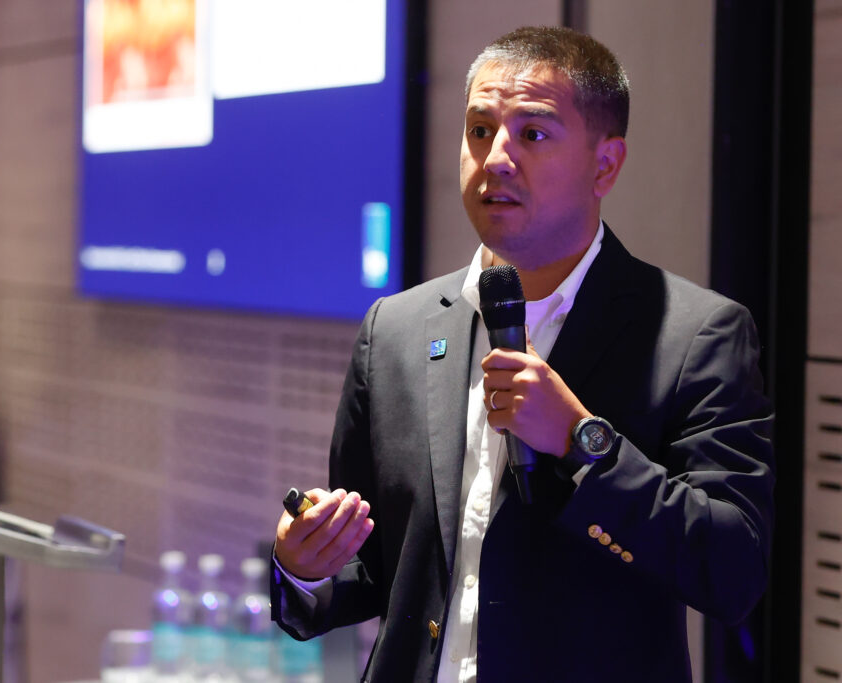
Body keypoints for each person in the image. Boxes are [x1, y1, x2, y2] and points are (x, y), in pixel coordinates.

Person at [270, 26, 774, 682]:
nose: (496, 158)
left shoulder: (697, 333)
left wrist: (581, 440)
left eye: (532, 133)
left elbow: (733, 571)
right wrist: (303, 565)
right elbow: (379, 566)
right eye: (480, 130)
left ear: (605, 164)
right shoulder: (394, 329)